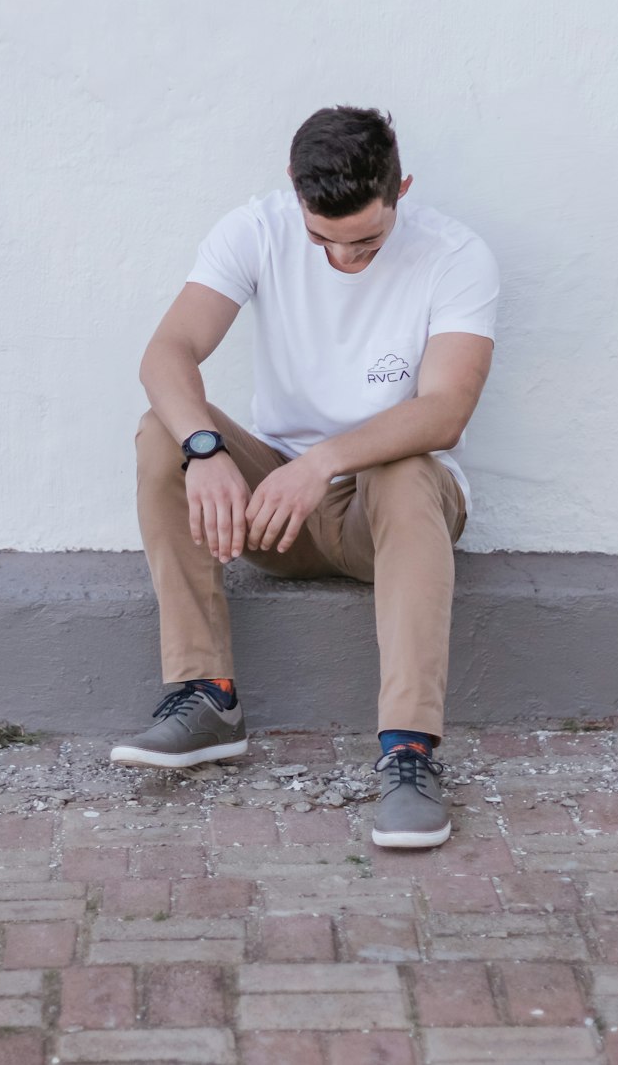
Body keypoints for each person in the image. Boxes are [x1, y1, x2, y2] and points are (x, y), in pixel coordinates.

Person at [112, 105, 499, 848]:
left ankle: (409, 753)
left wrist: (322, 462)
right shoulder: (254, 229)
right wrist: (203, 448)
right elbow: (167, 352)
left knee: (410, 468)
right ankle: (204, 699)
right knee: (161, 427)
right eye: (324, 239)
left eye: (366, 240)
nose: (345, 258)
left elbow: (446, 410)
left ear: (402, 189)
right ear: (295, 192)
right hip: (275, 510)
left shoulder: (456, 256)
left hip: (383, 513)